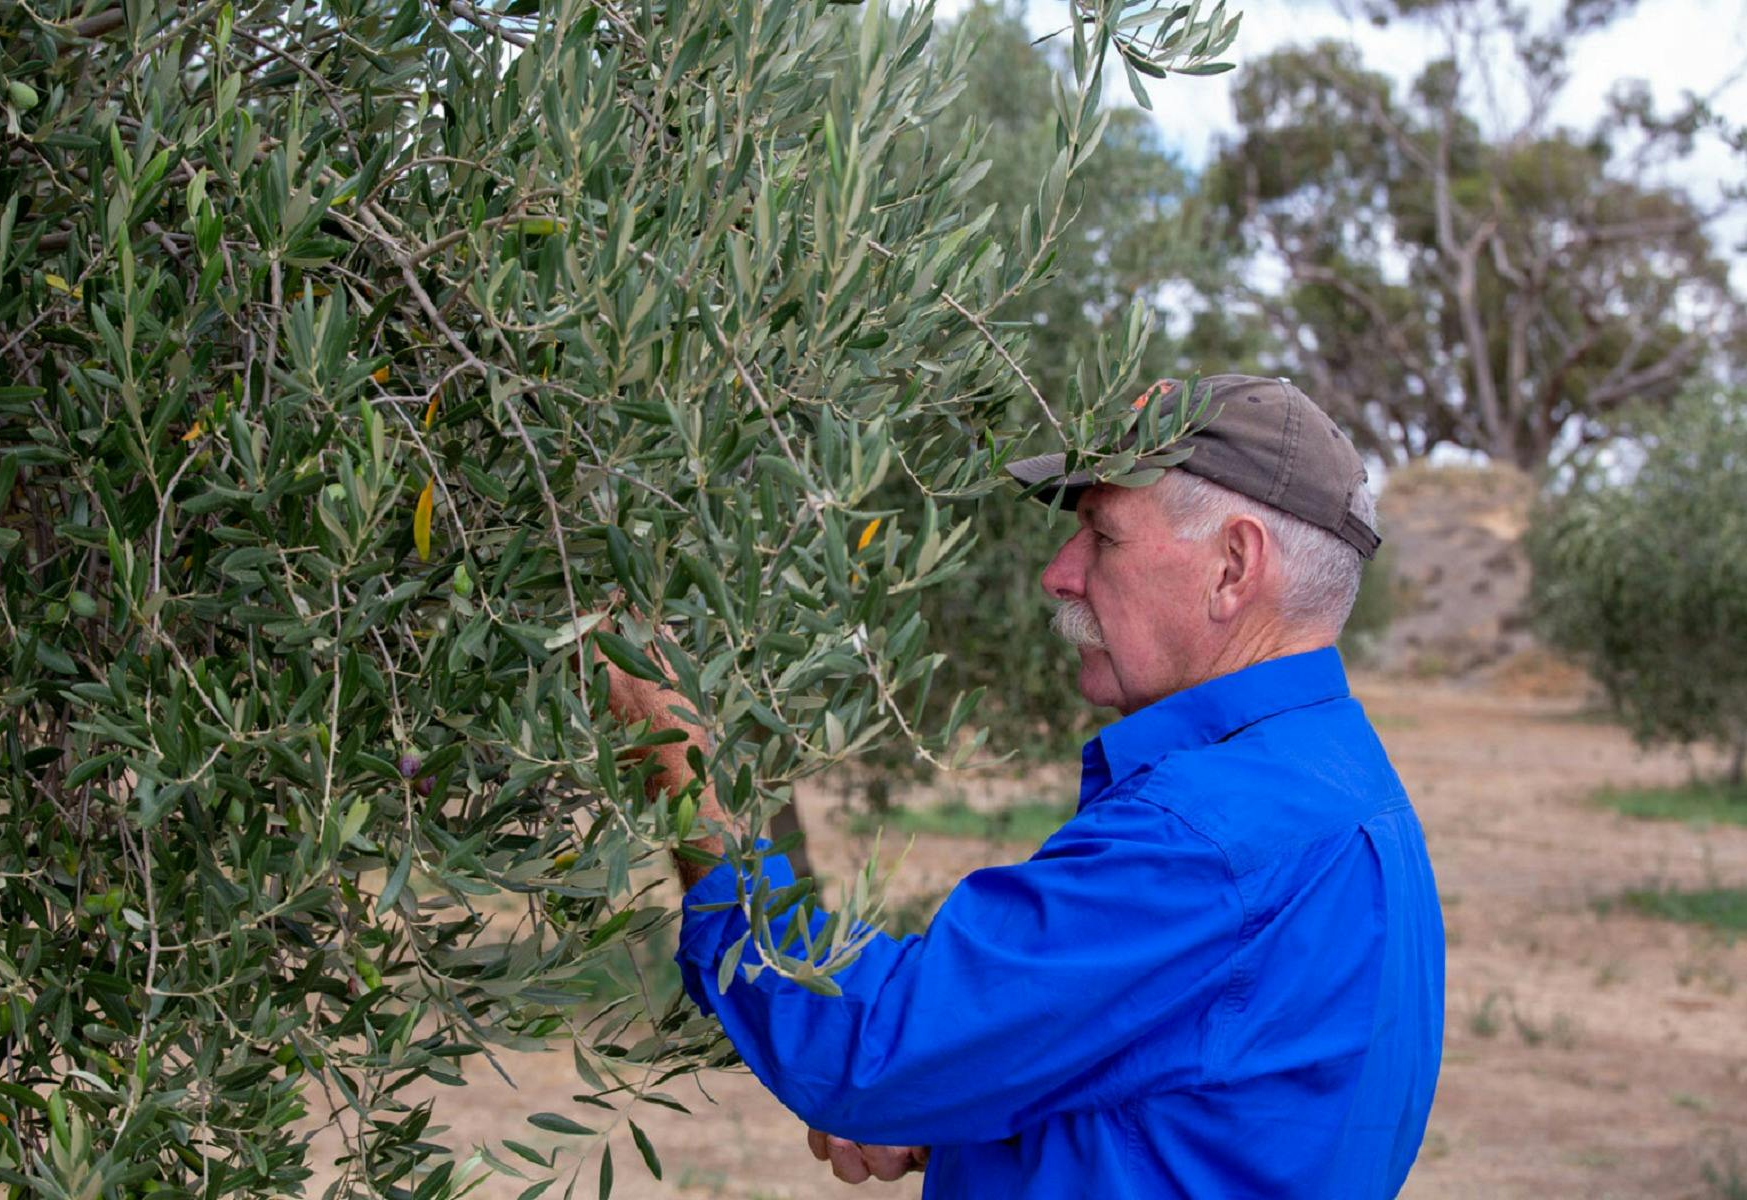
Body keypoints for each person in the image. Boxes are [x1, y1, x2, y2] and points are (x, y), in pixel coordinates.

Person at [604, 375, 1445, 1198]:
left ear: (1232, 565)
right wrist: (966, 1115)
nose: (1059, 573)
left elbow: (871, 1046)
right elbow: (1218, 1110)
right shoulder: (1348, 790)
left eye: (1101, 534)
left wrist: (678, 759)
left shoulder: (1210, 835)